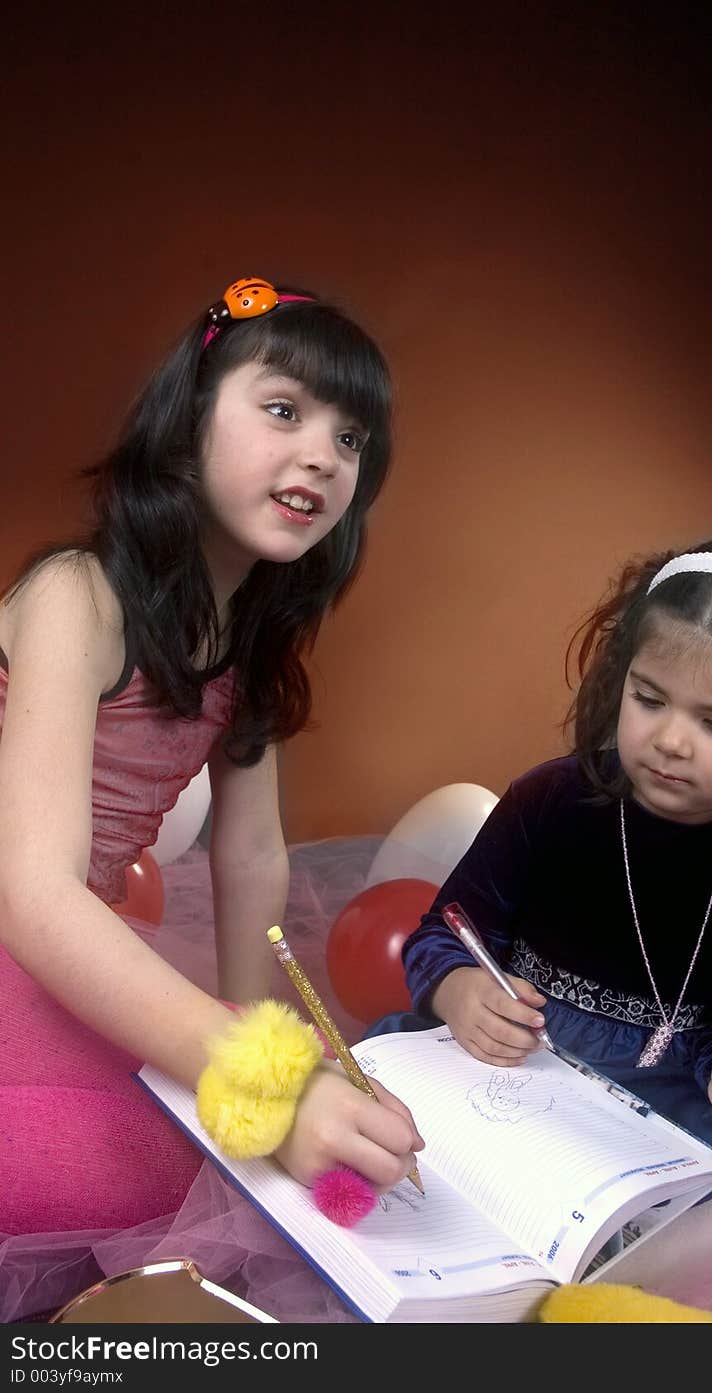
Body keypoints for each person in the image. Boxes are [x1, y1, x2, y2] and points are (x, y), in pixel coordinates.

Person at [0, 277, 423, 1245]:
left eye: (351, 439)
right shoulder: (78, 595)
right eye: (283, 410)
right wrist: (251, 1071)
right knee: (142, 1167)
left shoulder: (249, 639)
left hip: (55, 939)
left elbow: (253, 858)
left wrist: (253, 1033)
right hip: (24, 921)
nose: (321, 453)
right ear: (189, 423)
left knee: (246, 1138)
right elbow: (33, 892)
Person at [382, 535, 712, 1285]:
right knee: (383, 1119)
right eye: (649, 699)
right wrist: (459, 990)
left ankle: (610, 1294)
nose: (672, 740)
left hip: (674, 1086)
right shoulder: (548, 798)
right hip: (527, 1057)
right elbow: (441, 934)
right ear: (620, 681)